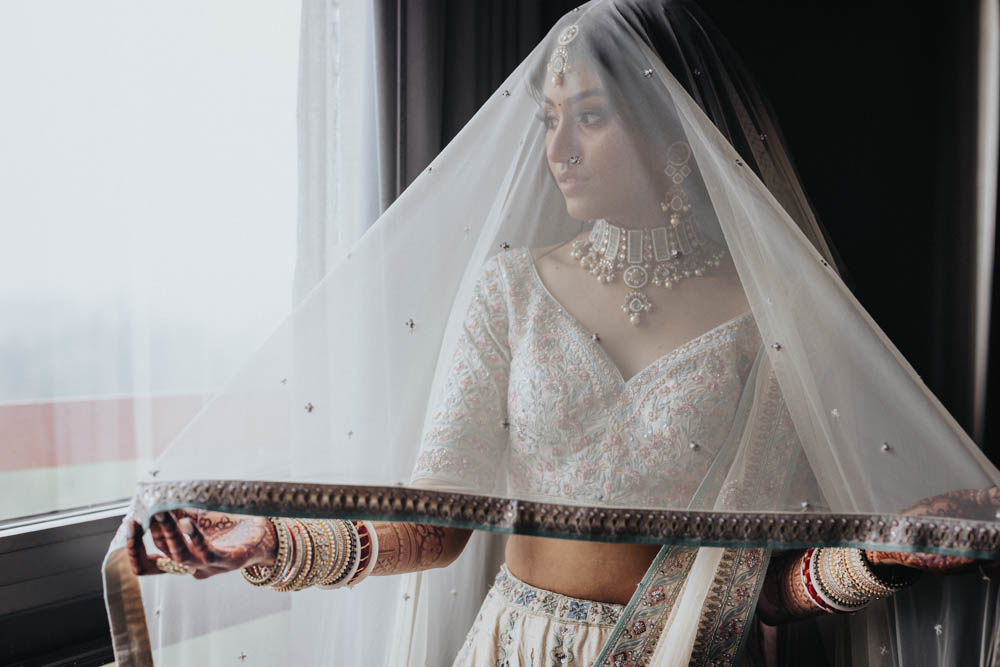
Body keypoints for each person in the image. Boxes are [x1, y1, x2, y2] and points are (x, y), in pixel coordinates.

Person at [109, 1, 1000, 665]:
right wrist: (271, 542)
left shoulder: (774, 320)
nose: (559, 149)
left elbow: (764, 587)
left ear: (674, 133)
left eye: (591, 116)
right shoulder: (511, 291)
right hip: (510, 646)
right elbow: (435, 525)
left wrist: (880, 559)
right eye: (548, 120)